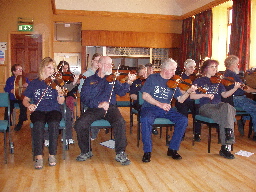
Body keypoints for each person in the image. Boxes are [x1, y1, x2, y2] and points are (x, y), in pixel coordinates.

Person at [74, 56, 136, 165]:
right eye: (108, 64)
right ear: (99, 65)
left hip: (110, 108)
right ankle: (86, 151)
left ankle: (120, 152)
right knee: (80, 123)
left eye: (111, 64)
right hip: (94, 108)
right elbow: (84, 97)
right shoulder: (90, 80)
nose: (110, 66)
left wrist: (128, 83)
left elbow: (121, 92)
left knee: (120, 122)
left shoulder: (113, 79)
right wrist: (99, 104)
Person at [140, 58, 197, 163]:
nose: (174, 72)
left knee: (183, 120)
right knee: (145, 119)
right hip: (150, 108)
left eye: (175, 70)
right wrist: (160, 104)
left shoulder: (174, 82)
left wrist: (188, 92)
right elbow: (145, 95)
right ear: (164, 69)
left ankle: (173, 149)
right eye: (172, 69)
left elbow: (180, 100)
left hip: (165, 109)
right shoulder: (153, 78)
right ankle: (147, 151)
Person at [190, 59, 241, 159]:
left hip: (219, 106)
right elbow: (192, 96)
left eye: (216, 67)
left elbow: (225, 95)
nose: (215, 69)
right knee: (227, 115)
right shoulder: (199, 81)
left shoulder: (219, 81)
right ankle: (225, 146)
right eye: (212, 67)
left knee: (227, 107)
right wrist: (205, 95)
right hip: (205, 107)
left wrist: (235, 88)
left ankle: (226, 143)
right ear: (205, 69)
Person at [23, 57, 65, 169]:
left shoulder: (57, 83)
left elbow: (61, 102)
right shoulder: (35, 83)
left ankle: (52, 155)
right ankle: (39, 156)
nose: (52, 70)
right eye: (49, 67)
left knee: (53, 124)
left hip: (53, 109)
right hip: (39, 110)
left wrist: (60, 93)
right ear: (43, 68)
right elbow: (25, 99)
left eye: (53, 68)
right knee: (38, 125)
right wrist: (29, 105)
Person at [223, 55, 256, 140]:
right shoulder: (232, 75)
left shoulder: (227, 73)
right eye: (237, 64)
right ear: (232, 64)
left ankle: (243, 119)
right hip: (237, 99)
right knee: (255, 109)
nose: (238, 66)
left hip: (236, 98)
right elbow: (246, 88)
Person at [175, 59, 202, 141]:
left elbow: (197, 92)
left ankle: (197, 134)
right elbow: (180, 92)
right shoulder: (180, 78)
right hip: (182, 100)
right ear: (185, 67)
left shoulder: (196, 79)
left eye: (194, 67)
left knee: (198, 112)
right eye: (190, 67)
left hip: (192, 100)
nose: (193, 69)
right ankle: (181, 134)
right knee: (183, 113)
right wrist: (189, 91)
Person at [56, 60, 80, 145]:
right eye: (63, 68)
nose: (65, 70)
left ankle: (67, 135)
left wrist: (75, 82)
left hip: (68, 95)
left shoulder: (70, 76)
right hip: (57, 98)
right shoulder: (56, 78)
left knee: (68, 107)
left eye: (67, 68)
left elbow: (70, 89)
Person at [4, 64, 29, 131]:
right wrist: (10, 90)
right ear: (14, 72)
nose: (21, 70)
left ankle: (20, 123)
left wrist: (27, 85)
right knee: (8, 107)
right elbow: (6, 88)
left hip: (21, 98)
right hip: (12, 98)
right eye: (18, 69)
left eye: (21, 69)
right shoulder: (10, 79)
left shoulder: (25, 79)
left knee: (23, 106)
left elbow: (31, 87)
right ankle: (7, 124)